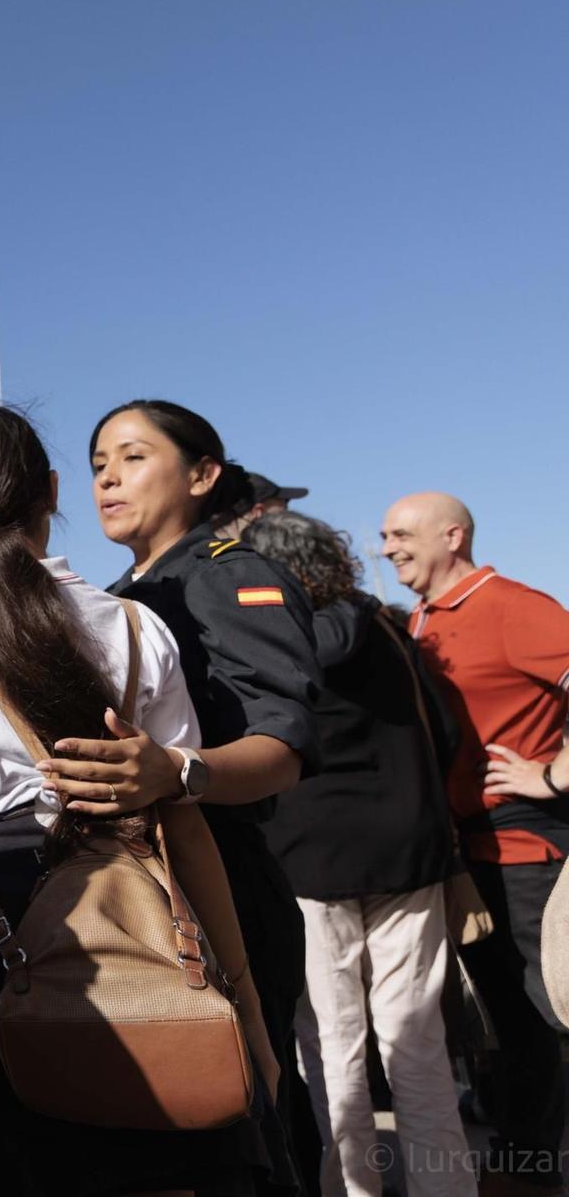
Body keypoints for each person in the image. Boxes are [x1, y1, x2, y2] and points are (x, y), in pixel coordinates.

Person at [0, 404, 283, 1196]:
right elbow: (185, 832)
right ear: (50, 491)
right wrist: (244, 998)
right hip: (145, 932)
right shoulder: (138, 628)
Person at [83, 400, 319, 1180]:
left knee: (250, 1133)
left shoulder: (231, 575)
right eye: (98, 465)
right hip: (142, 888)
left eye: (132, 457)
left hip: (226, 886)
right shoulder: (112, 595)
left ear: (202, 474)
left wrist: (181, 770)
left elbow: (282, 747)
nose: (109, 479)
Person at [246, 511, 474, 1197]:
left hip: (307, 858)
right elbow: (447, 732)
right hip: (407, 850)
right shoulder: (384, 627)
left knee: (331, 1046)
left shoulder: (266, 641)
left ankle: (354, 1188)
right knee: (417, 1042)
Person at [383, 490, 569, 1176]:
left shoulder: (514, 606)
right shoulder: (420, 619)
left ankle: (530, 1168)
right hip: (462, 847)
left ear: (453, 536)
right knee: (499, 1018)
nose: (388, 547)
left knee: (542, 1014)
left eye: (402, 534)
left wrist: (553, 776)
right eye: (385, 535)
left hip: (523, 843)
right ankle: (519, 1153)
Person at [214, 472, 310, 539]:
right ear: (258, 512)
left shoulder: (207, 553)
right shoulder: (254, 561)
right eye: (283, 514)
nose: (288, 521)